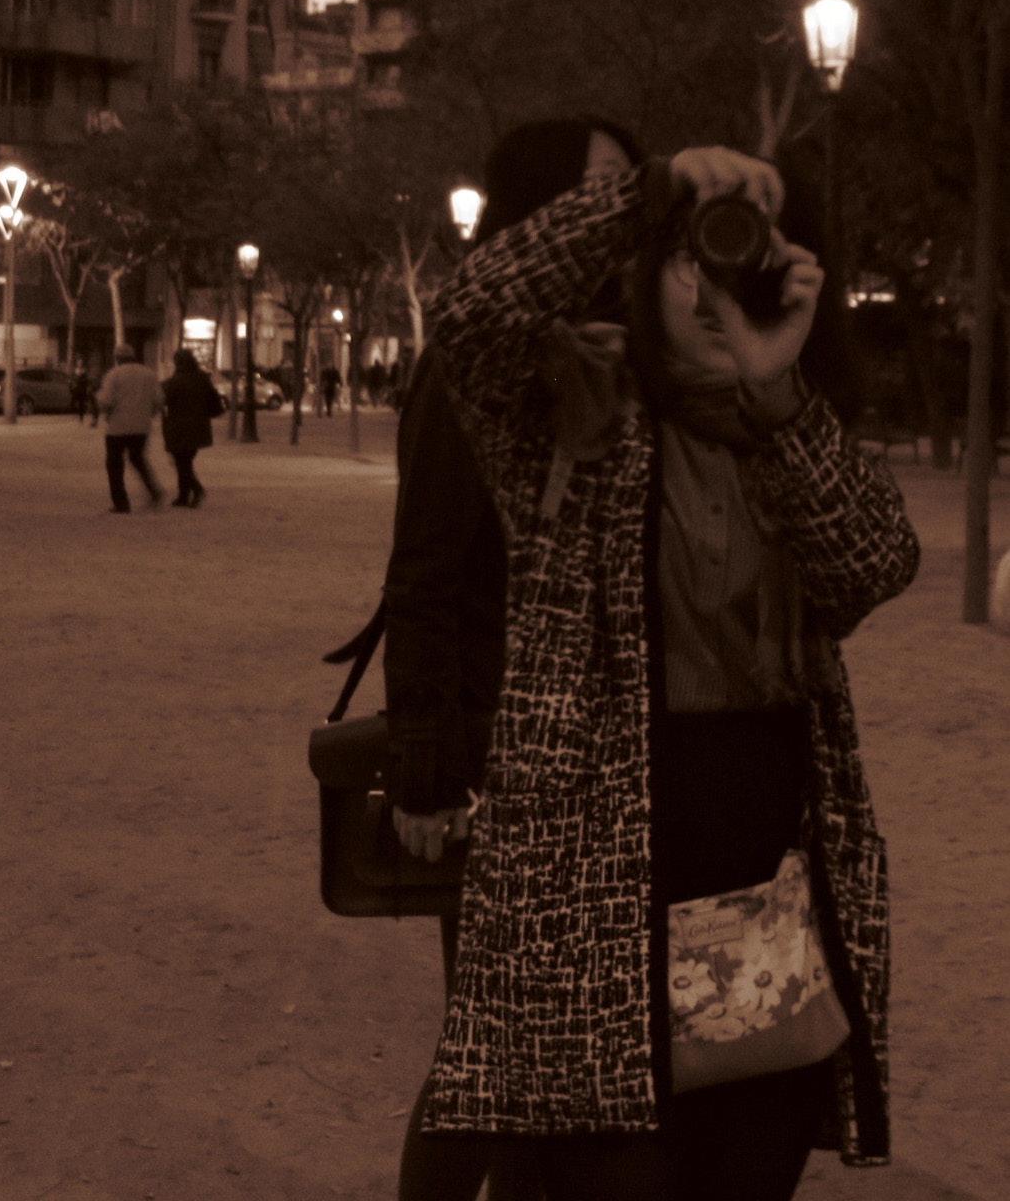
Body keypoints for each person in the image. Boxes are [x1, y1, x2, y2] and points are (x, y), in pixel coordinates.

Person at [395, 145, 920, 1201]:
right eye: (693, 254)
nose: (718, 281)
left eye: (752, 255)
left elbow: (873, 565)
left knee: (746, 1171)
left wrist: (777, 388)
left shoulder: (789, 431)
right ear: (644, 269)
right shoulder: (568, 416)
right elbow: (470, 313)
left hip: (764, 914)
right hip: (599, 918)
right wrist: (651, 187)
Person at [386, 119, 641, 1201]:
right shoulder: (476, 365)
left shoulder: (615, 348)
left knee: (558, 1057)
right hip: (502, 755)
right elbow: (425, 573)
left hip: (601, 762)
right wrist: (428, 772)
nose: (620, 211)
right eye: (601, 190)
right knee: (494, 1048)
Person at [95, 344, 164, 514]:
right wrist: (150, 413)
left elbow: (105, 401)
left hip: (117, 427)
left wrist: (102, 407)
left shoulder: (114, 375)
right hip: (141, 427)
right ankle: (154, 491)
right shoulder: (148, 374)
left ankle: (121, 503)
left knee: (115, 465)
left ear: (117, 358)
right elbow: (159, 399)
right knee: (138, 459)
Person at [161, 349, 223, 508]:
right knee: (185, 460)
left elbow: (164, 400)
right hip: (198, 426)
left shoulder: (173, 382)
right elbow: (214, 402)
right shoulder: (202, 379)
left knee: (181, 462)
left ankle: (196, 490)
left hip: (178, 426)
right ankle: (183, 495)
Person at [70, 358, 94, 424]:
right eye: (78, 362)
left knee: (81, 403)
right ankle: (75, 413)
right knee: (73, 401)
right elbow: (72, 379)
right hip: (76, 388)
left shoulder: (84, 371)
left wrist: (84, 383)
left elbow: (87, 380)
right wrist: (72, 384)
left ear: (82, 364)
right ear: (77, 363)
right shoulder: (75, 371)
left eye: (81, 363)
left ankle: (81, 417)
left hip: (82, 389)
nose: (79, 364)